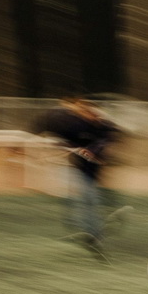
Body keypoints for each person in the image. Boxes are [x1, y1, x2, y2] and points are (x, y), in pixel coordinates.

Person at [37, 95, 121, 261]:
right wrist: (58, 148)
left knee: (90, 199)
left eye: (88, 111)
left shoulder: (103, 127)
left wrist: (93, 150)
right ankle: (93, 236)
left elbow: (108, 138)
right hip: (80, 170)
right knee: (87, 200)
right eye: (82, 111)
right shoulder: (77, 126)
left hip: (93, 170)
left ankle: (91, 230)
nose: (85, 114)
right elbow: (63, 140)